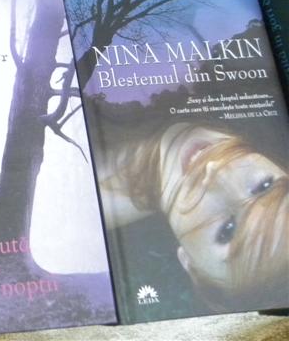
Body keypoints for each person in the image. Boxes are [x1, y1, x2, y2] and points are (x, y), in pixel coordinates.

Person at [95, 121, 288, 309]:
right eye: (264, 186)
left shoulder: (87, 209)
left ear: (189, 262)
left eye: (226, 231)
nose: (216, 171)